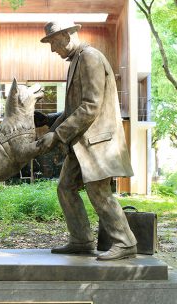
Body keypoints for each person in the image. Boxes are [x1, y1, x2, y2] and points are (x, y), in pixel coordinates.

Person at [35, 20, 137, 260]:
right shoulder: (76, 61)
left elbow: (90, 107)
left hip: (98, 143)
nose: (52, 49)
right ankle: (81, 240)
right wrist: (49, 121)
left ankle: (125, 242)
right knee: (65, 188)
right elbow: (73, 109)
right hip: (82, 144)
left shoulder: (90, 58)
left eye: (53, 43)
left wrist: (57, 135)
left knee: (98, 191)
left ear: (67, 36)